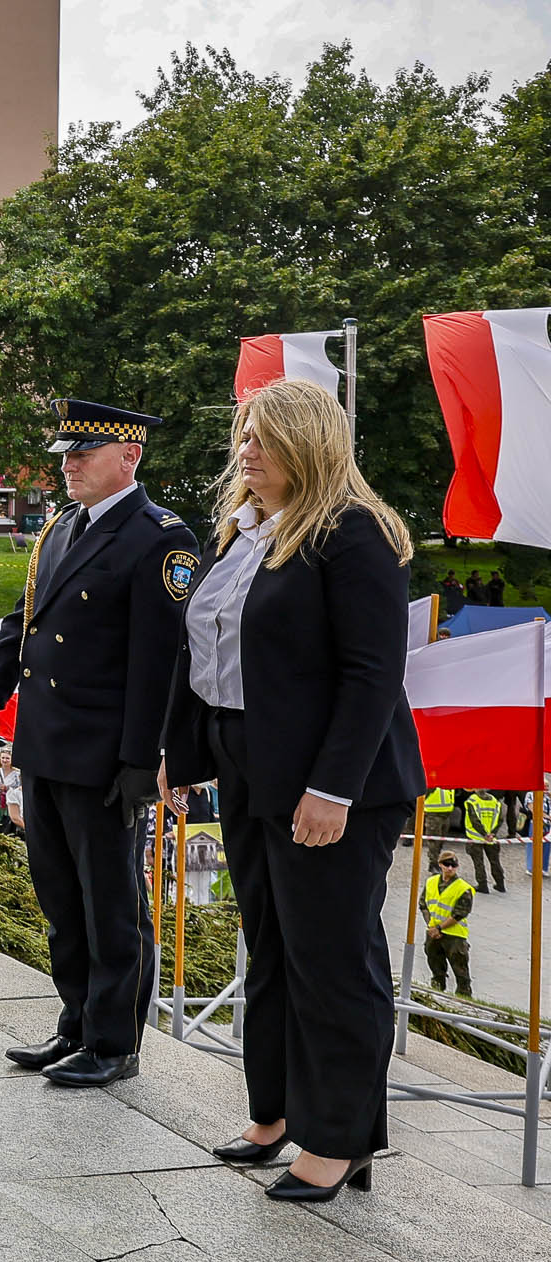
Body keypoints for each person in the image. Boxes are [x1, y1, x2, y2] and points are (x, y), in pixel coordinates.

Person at [159, 377, 422, 1201]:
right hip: (248, 763)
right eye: (243, 435)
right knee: (271, 947)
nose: (246, 451)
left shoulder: (352, 532)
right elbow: (204, 649)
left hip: (333, 781)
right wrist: (180, 752)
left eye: (263, 438)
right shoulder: (241, 531)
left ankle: (340, 1139)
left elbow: (373, 673)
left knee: (331, 956)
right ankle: (272, 1112)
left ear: (307, 444)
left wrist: (332, 789)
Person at [0, 398, 199, 1090]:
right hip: (45, 743)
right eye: (66, 453)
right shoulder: (62, 527)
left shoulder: (160, 538)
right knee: (61, 899)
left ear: (129, 456)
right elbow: (25, 620)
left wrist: (141, 760)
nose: (68, 464)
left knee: (111, 904)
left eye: (83, 453)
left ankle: (113, 1040)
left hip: (104, 756)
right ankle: (75, 1021)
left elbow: (161, 663)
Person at [422, 854, 474, 996]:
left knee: (461, 972)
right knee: (436, 967)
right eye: (446, 865)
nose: (450, 868)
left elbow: (460, 913)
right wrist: (431, 927)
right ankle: (436, 993)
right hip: (433, 934)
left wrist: (439, 928)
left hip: (455, 936)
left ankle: (464, 998)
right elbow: (423, 905)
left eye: (453, 866)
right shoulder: (431, 882)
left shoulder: (463, 888)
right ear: (440, 865)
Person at [462, 789, 507, 894]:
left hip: (476, 837)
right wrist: (492, 833)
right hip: (491, 838)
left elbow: (474, 820)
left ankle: (482, 885)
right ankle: (500, 884)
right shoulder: (494, 801)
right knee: (495, 861)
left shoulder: (472, 800)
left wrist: (484, 834)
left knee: (479, 862)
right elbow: (500, 819)